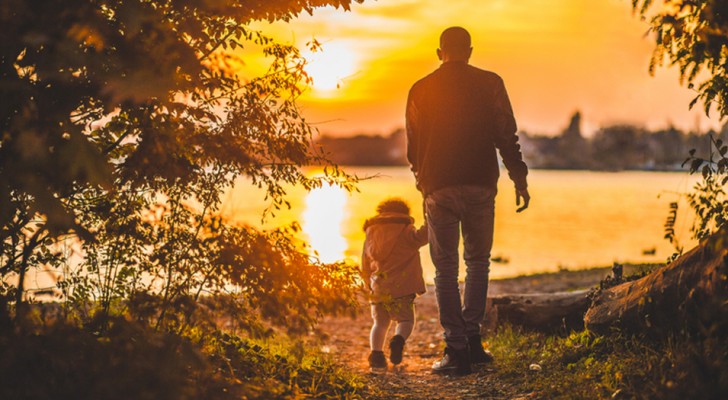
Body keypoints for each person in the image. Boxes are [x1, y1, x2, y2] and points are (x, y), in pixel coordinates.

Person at [405, 26, 530, 375]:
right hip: (479, 183)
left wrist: (423, 183)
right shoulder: (491, 83)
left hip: (439, 187)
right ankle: (473, 341)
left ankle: (456, 348)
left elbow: (413, 146)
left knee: (445, 269)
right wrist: (519, 177)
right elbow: (507, 134)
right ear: (470, 51)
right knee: (478, 262)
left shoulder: (420, 89)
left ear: (439, 52)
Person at [361, 198, 428, 370]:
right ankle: (398, 340)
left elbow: (365, 263)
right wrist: (430, 217)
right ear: (404, 214)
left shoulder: (371, 233)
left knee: (380, 323)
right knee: (405, 320)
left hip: (378, 287)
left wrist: (367, 283)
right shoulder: (406, 230)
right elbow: (424, 236)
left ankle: (376, 355)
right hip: (402, 287)